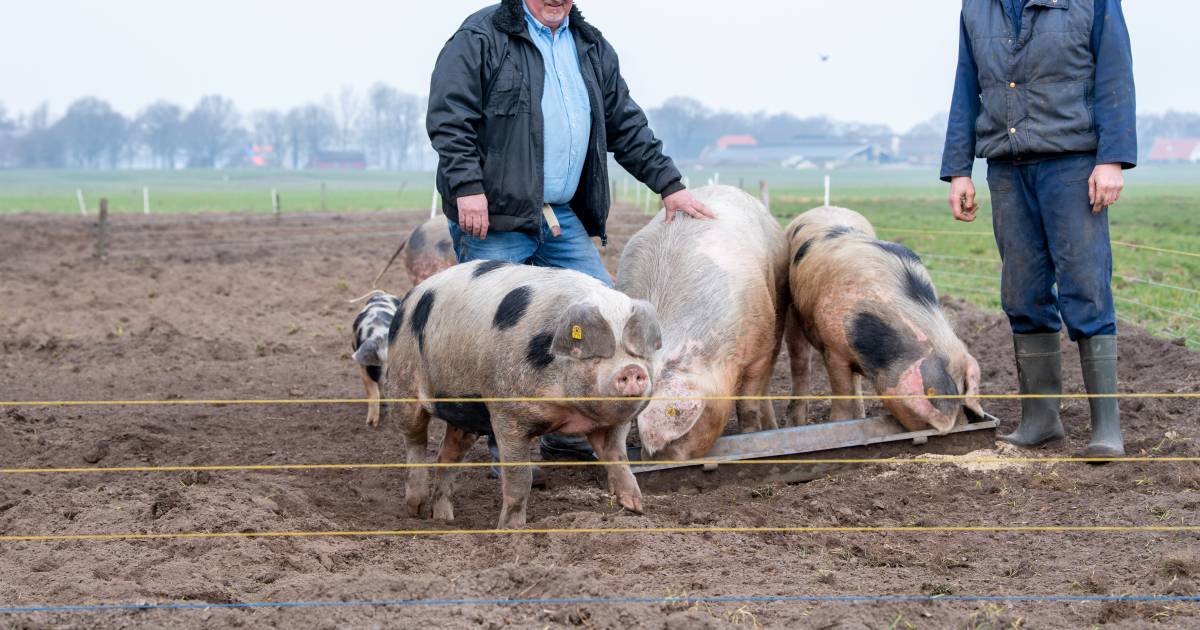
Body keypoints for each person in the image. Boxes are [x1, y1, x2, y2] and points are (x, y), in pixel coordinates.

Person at [427, 0, 712, 466]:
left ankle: (573, 431)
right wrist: (467, 187)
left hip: (560, 215)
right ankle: (510, 453)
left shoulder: (590, 45)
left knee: (604, 316)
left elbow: (625, 123)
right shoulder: (480, 37)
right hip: (496, 215)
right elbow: (449, 118)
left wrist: (669, 185)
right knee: (503, 337)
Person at [940, 0, 1136, 458]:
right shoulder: (977, 8)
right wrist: (958, 169)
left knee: (1085, 288)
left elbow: (1114, 75)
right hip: (1007, 169)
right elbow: (965, 87)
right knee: (1022, 293)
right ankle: (1041, 420)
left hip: (1073, 163)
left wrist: (1112, 159)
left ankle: (1106, 428)